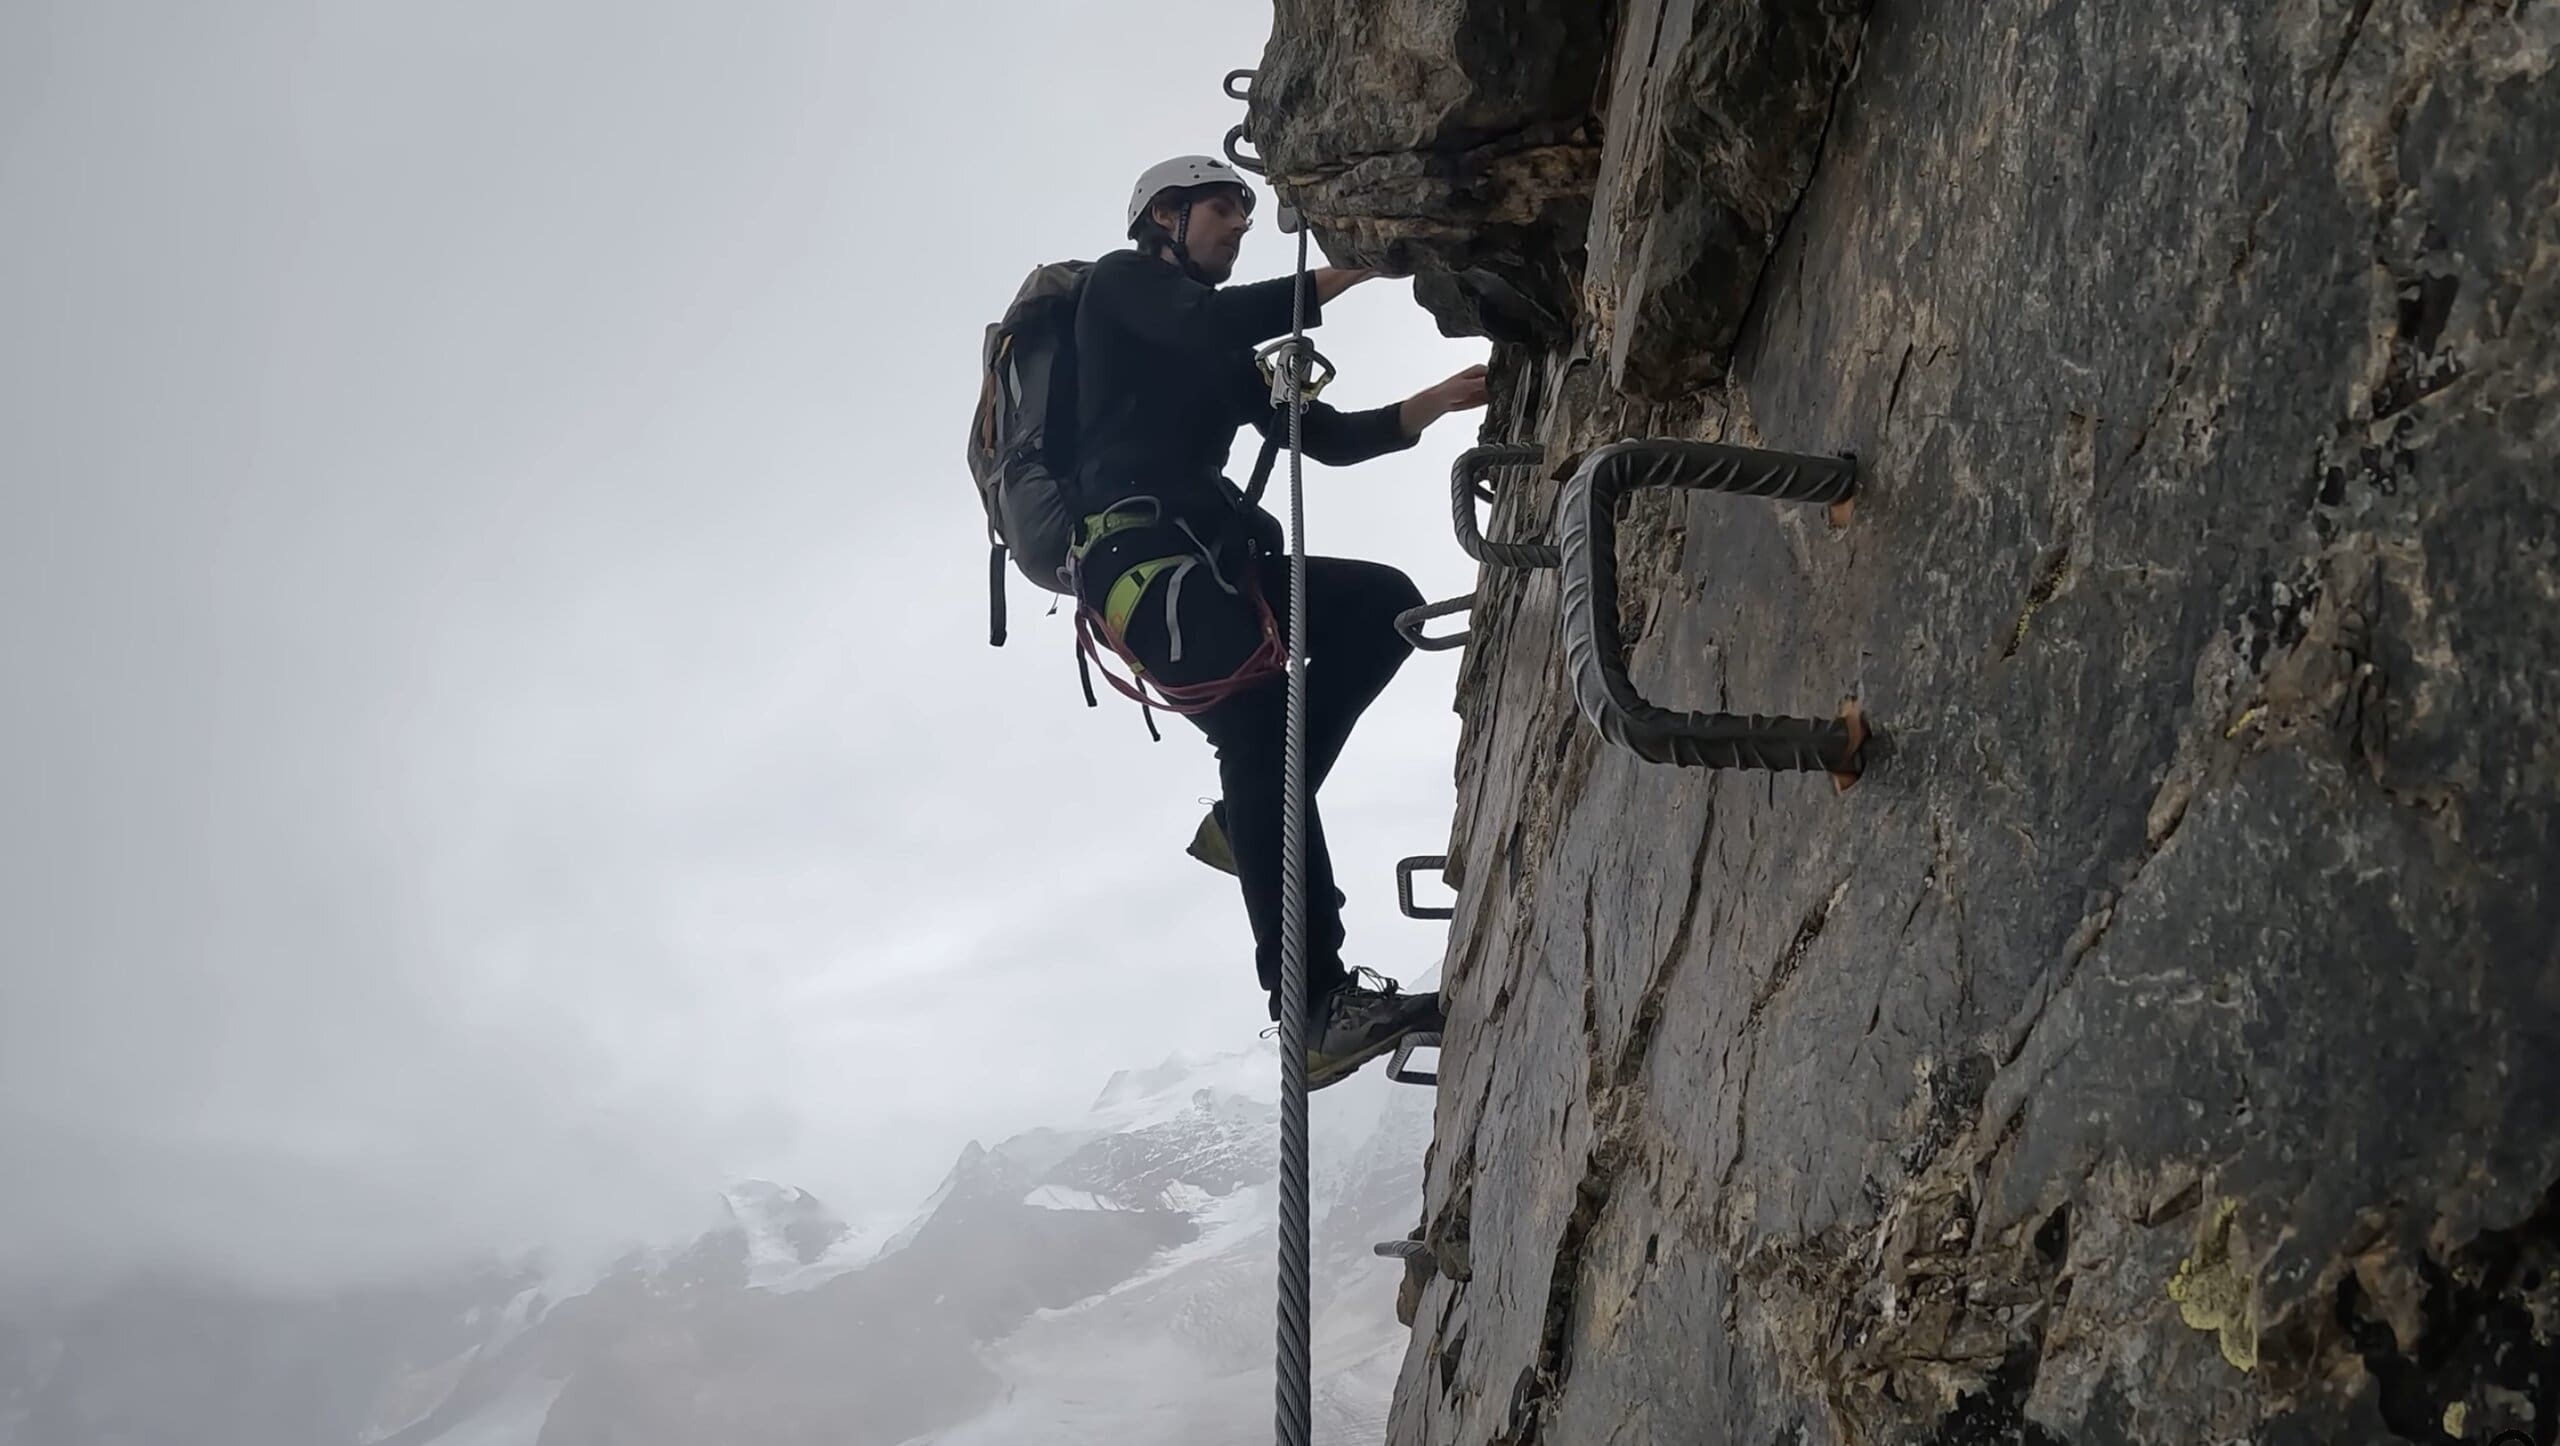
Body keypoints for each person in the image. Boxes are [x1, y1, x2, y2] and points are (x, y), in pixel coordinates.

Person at [1066, 154, 1488, 1090]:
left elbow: (1318, 438)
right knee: (1259, 736)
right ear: (1165, 216)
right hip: (1148, 574)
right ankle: (1310, 1007)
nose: (1239, 225)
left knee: (1381, 606)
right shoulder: (1122, 287)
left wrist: (1438, 399)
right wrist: (1356, 271)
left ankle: (1245, 822)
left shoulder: (1217, 351)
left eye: (1246, 215)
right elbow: (1216, 314)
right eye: (1224, 208)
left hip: (1214, 568)